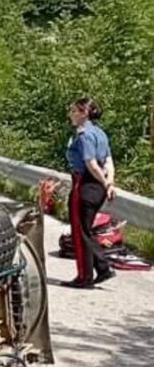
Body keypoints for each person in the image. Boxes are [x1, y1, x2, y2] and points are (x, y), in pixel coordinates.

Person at [63, 96, 116, 288]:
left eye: (74, 111)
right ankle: (102, 269)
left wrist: (103, 180)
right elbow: (108, 160)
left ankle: (84, 276)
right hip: (99, 187)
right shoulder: (100, 133)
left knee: (80, 232)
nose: (71, 114)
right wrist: (109, 183)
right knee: (86, 230)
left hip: (84, 184)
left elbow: (91, 163)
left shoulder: (84, 135)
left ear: (84, 113)